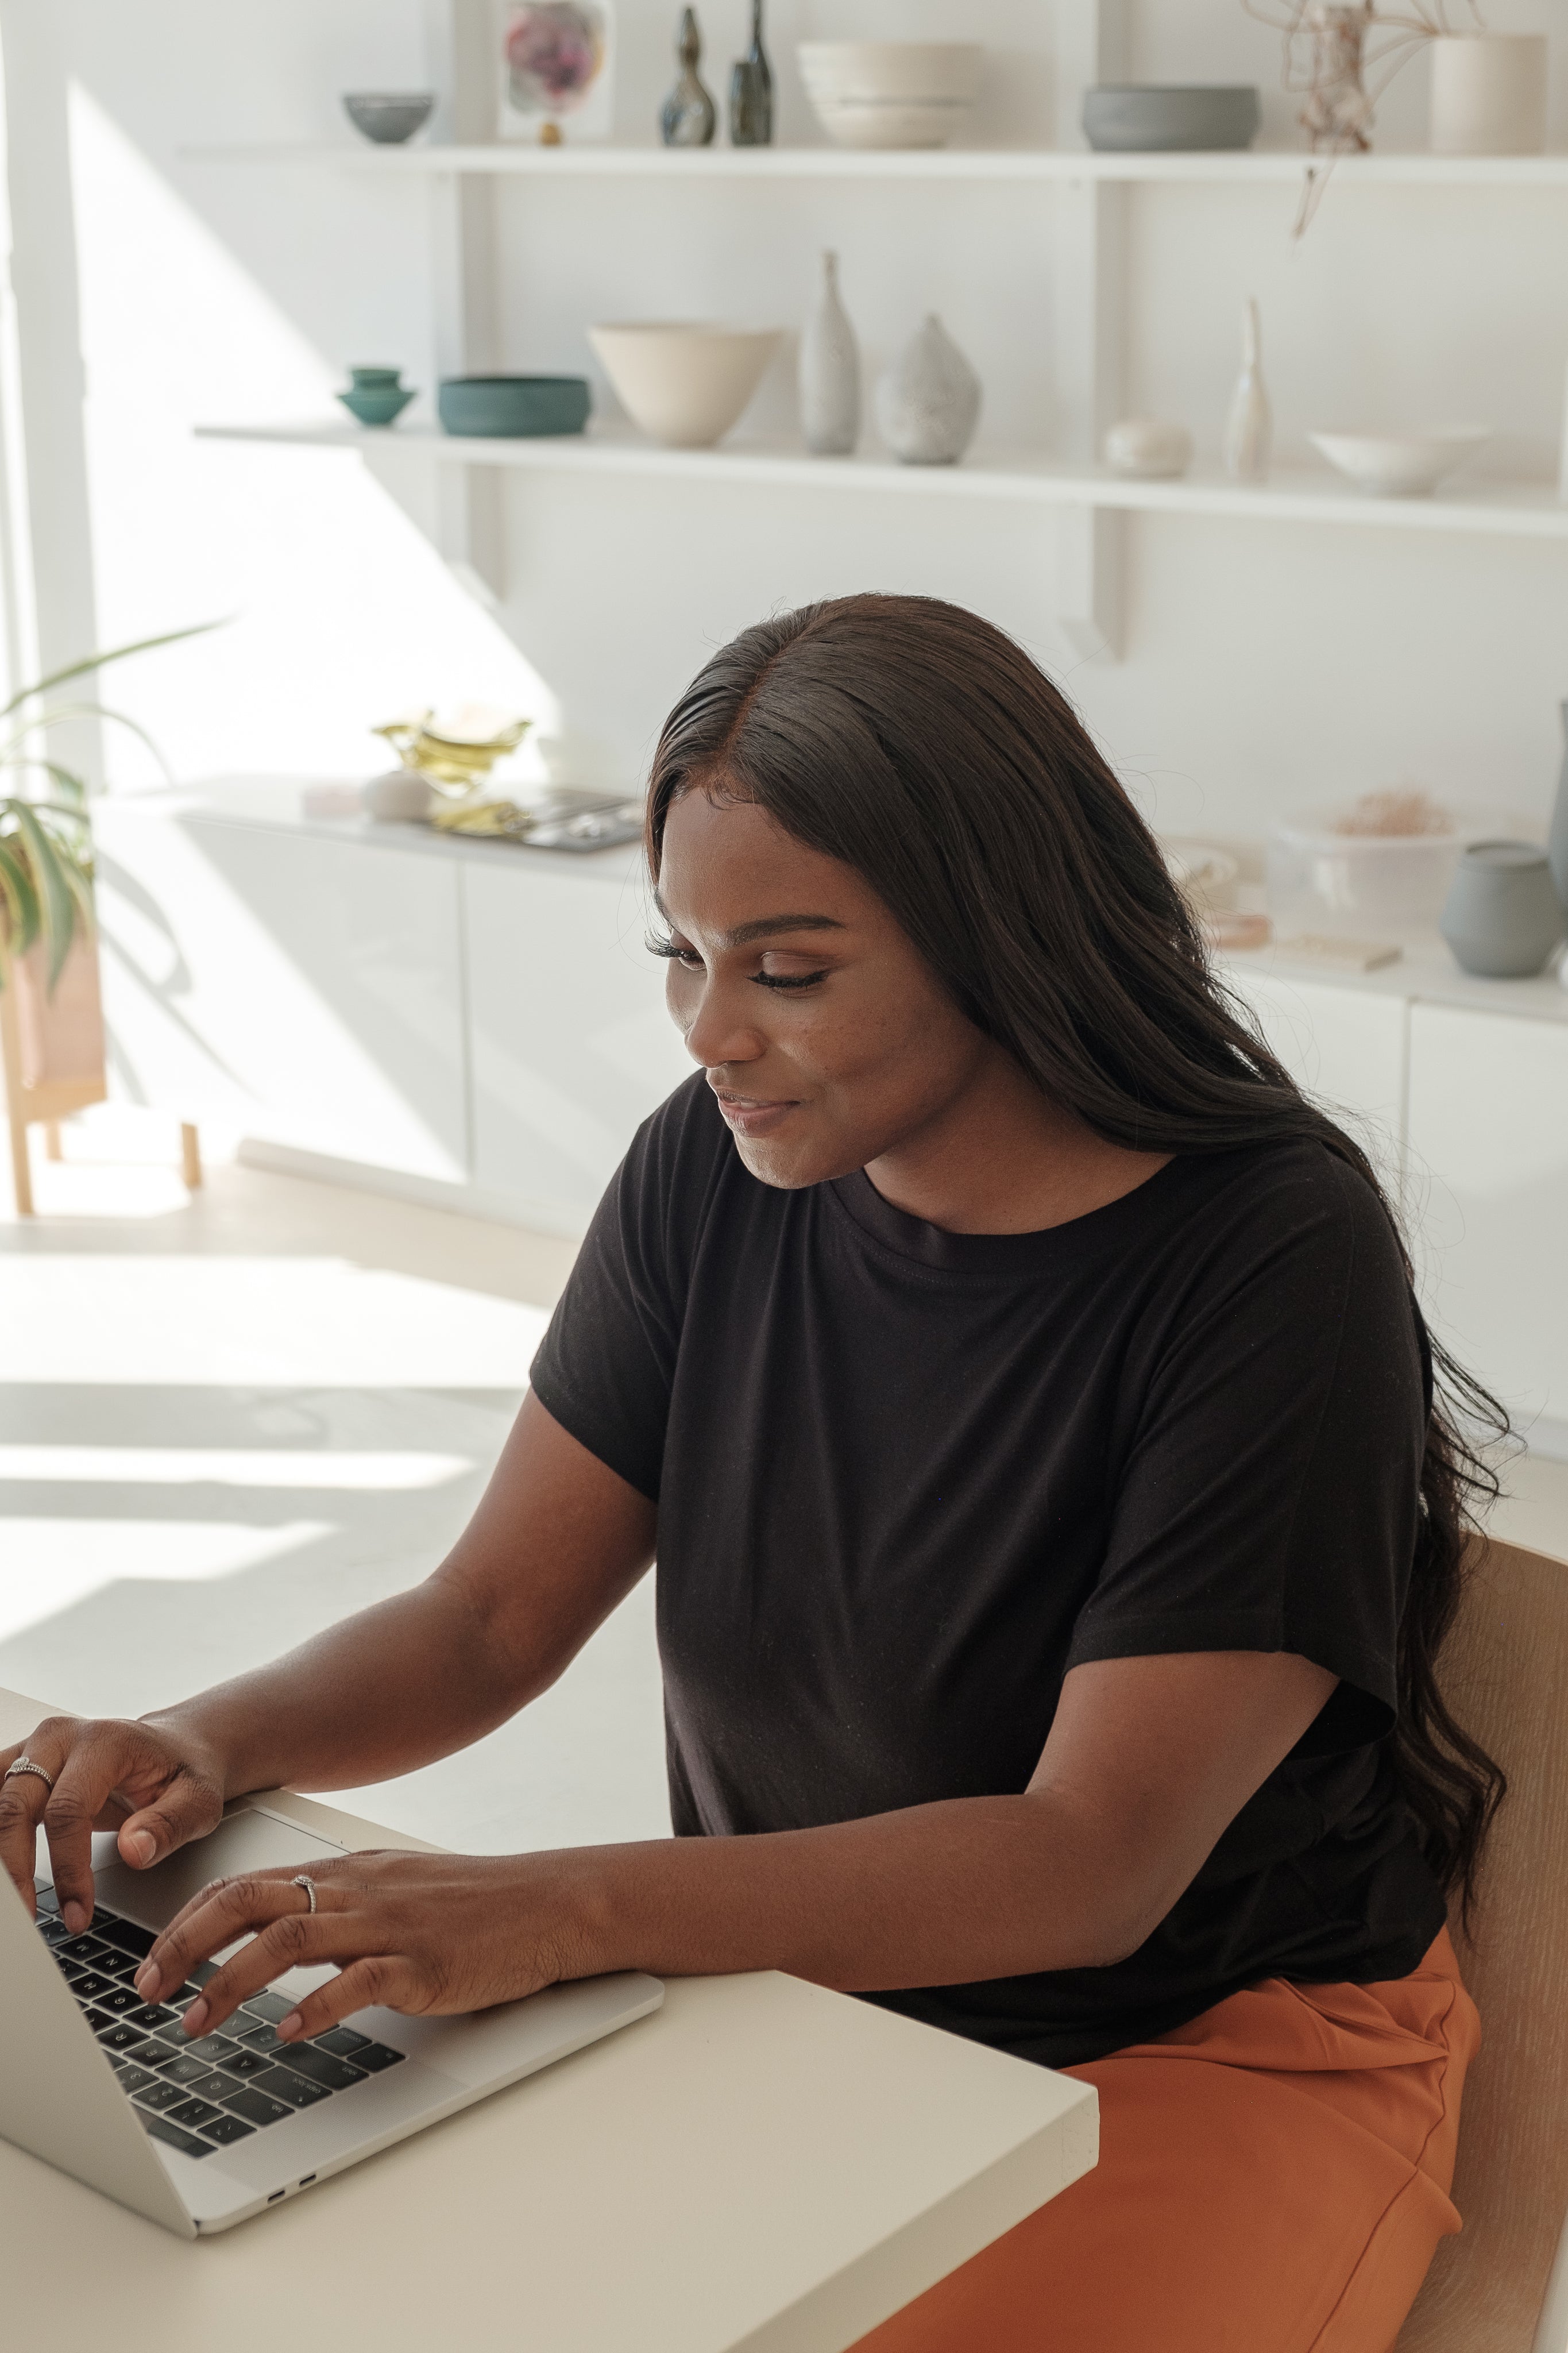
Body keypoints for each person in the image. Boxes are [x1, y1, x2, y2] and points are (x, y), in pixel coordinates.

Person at [1, 595, 1504, 2350]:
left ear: (999, 939)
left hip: (1198, 2047)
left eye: (786, 970)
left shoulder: (1265, 1259)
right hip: (811, 2002)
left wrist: (557, 1905)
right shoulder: (715, 1171)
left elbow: (1085, 1859)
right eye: (681, 955)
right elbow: (487, 1618)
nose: (709, 1033)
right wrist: (209, 1738)